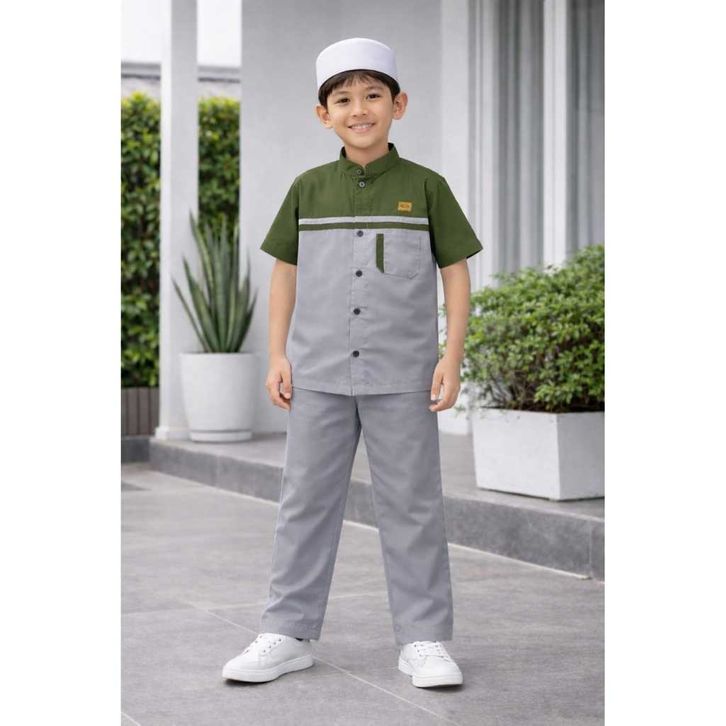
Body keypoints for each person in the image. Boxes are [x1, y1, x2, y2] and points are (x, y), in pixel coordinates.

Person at [223, 37, 482, 689]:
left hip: (404, 377)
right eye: (343, 99)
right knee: (304, 502)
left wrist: (451, 355)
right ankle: (287, 632)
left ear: (398, 104)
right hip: (318, 374)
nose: (358, 109)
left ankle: (423, 640)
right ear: (324, 115)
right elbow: (285, 274)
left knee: (413, 506)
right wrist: (276, 354)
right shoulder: (307, 189)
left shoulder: (427, 187)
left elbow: (455, 272)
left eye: (372, 96)